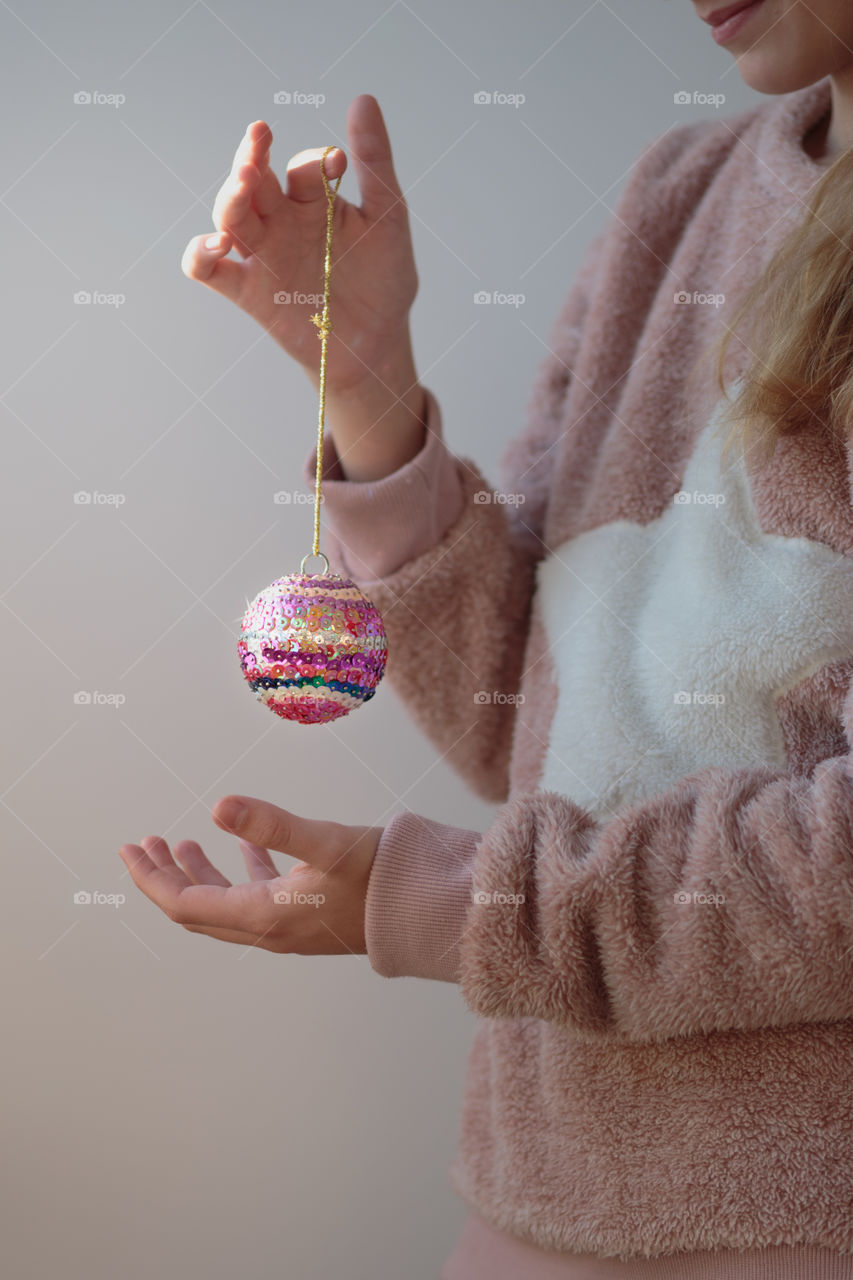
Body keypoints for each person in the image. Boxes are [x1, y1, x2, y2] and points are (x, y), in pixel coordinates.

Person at [119, 2, 853, 1275]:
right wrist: (366, 382)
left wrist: (462, 904)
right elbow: (511, 721)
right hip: (543, 1182)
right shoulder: (676, 196)